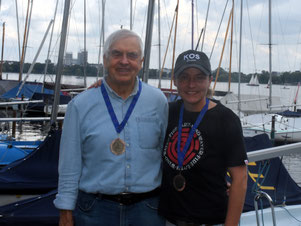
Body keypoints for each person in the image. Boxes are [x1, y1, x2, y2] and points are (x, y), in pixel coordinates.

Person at [54, 29, 168, 226]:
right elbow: (69, 166)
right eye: (117, 54)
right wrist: (65, 210)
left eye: (132, 55)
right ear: (105, 59)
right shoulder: (80, 106)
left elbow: (169, 155)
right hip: (95, 211)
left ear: (140, 62)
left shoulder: (158, 101)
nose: (124, 61)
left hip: (147, 211)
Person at [158, 50, 248, 226]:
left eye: (199, 77)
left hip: (210, 220)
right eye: (184, 77)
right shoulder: (167, 112)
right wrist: (104, 85)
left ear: (210, 80)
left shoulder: (226, 119)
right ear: (175, 80)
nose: (191, 84)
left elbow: (240, 179)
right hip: (167, 218)